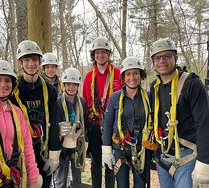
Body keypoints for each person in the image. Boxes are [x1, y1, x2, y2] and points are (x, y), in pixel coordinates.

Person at [149, 38, 209, 188]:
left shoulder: (192, 84)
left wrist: (204, 163)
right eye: (157, 58)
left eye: (167, 56)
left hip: (188, 157)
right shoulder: (155, 87)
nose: (162, 61)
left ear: (175, 57)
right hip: (163, 157)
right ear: (153, 62)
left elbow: (204, 123)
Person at [10, 40, 61, 188]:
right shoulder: (13, 91)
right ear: (20, 63)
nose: (31, 64)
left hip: (42, 150)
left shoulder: (49, 90)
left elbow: (54, 122)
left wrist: (54, 154)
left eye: (34, 59)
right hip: (20, 151)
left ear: (40, 62)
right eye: (27, 60)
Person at [102, 56, 152, 188]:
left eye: (136, 73)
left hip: (141, 150)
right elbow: (108, 124)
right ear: (123, 77)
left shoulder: (148, 97)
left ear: (141, 75)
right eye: (128, 74)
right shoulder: (115, 98)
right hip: (120, 149)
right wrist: (106, 151)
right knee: (122, 185)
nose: (132, 77)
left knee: (140, 185)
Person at [82, 36, 122, 188]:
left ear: (109, 54)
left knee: (110, 160)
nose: (100, 55)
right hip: (94, 124)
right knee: (96, 161)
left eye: (103, 52)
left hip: (112, 125)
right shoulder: (88, 77)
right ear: (93, 55)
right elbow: (85, 101)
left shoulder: (118, 74)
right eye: (97, 53)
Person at [53, 67, 87, 188]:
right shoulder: (58, 102)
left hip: (77, 145)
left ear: (78, 86)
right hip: (62, 146)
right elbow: (54, 123)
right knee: (61, 179)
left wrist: (83, 134)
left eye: (74, 85)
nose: (71, 88)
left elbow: (85, 121)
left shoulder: (81, 102)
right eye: (68, 84)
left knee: (77, 178)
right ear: (64, 85)